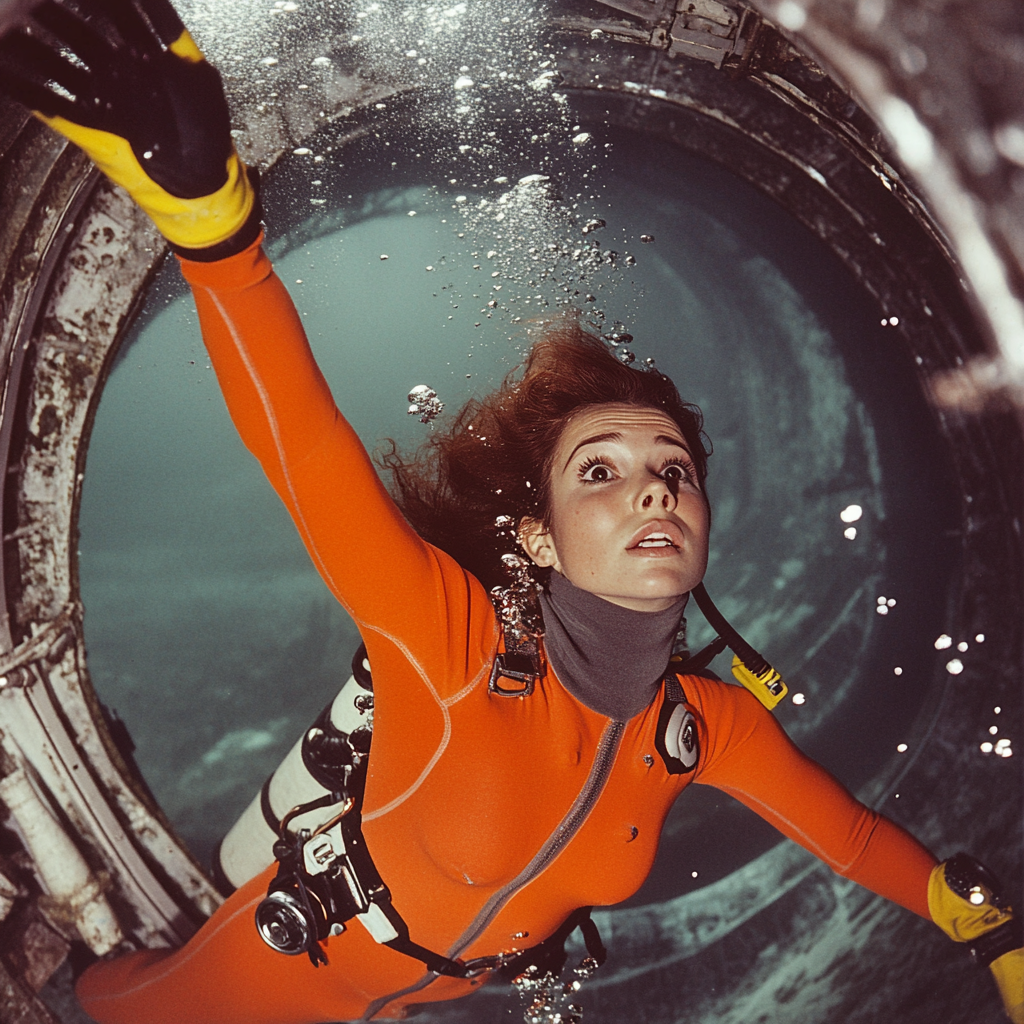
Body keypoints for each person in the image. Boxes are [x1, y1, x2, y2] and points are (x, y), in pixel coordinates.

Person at [1, 1, 1020, 1022]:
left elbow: (845, 838)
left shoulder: (706, 729)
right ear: (536, 536)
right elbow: (302, 447)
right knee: (97, 1008)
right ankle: (50, 965)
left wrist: (975, 919)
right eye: (599, 472)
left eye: (672, 467)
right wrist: (211, 224)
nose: (654, 486)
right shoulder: (451, 641)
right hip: (272, 973)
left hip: (413, 1006)